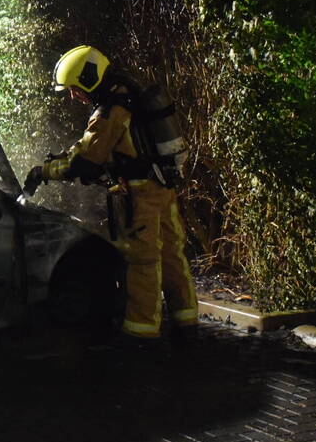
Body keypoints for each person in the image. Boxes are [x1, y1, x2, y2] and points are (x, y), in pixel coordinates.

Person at [25, 46, 198, 344]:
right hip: (163, 187)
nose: (74, 96)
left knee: (142, 262)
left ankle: (141, 332)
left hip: (140, 195)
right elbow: (89, 147)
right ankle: (187, 323)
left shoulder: (110, 111)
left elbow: (87, 160)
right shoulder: (128, 92)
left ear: (88, 79)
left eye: (75, 89)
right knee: (172, 255)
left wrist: (46, 171)